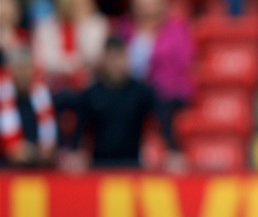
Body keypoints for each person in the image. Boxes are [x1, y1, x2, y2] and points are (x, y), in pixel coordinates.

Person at [65, 36, 177, 169]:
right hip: (98, 167)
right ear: (103, 60)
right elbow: (79, 127)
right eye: (111, 58)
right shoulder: (91, 94)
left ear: (127, 59)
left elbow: (162, 118)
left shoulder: (141, 92)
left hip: (133, 166)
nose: (115, 64)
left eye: (119, 57)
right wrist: (74, 152)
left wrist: (172, 150)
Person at [115, 0, 195, 152]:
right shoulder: (124, 28)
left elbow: (183, 61)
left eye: (150, 2)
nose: (145, 7)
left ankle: (173, 152)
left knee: (157, 100)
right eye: (141, 2)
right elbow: (114, 59)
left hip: (167, 89)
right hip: (130, 89)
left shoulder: (176, 28)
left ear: (161, 3)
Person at [32, 0, 109, 92]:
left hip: (90, 89)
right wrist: (75, 66)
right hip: (53, 88)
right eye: (76, 1)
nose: (83, 4)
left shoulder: (98, 24)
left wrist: (83, 26)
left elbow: (93, 57)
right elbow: (43, 62)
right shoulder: (46, 26)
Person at [0, 48, 58, 167]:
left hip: (38, 164)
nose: (23, 73)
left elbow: (49, 139)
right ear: (10, 71)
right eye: (19, 68)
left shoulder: (41, 95)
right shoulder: (3, 95)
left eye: (27, 68)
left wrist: (40, 151)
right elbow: (11, 148)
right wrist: (13, 148)